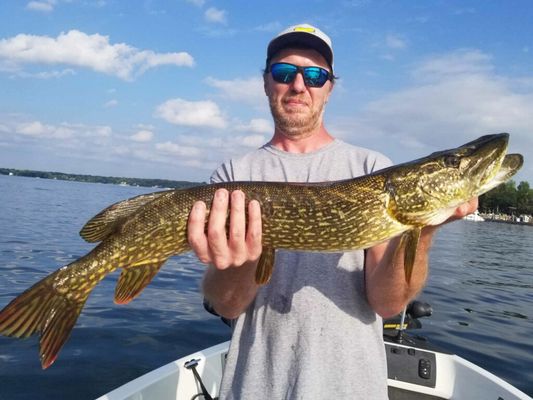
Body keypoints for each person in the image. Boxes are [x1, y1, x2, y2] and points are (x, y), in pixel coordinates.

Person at [187, 24, 477, 399]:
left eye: (314, 75)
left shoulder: (371, 167)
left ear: (329, 88)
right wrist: (244, 256)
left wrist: (423, 228)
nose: (298, 85)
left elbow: (387, 303)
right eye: (283, 73)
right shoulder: (232, 178)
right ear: (266, 83)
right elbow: (226, 304)